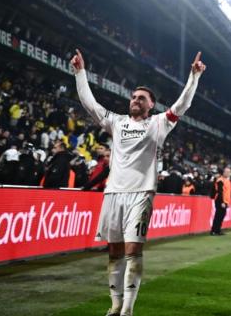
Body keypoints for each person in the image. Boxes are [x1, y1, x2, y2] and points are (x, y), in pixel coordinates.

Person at [72, 48, 205, 316]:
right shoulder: (116, 122)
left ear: (151, 104)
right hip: (113, 194)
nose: (135, 100)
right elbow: (90, 104)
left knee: (133, 250)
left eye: (141, 98)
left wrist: (194, 77)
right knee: (114, 252)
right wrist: (80, 73)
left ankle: (128, 309)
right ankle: (115, 304)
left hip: (142, 193)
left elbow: (182, 106)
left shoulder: (158, 123)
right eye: (133, 97)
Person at [211, 167, 231, 236]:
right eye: (227, 172)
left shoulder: (227, 181)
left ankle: (217, 230)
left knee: (221, 215)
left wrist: (227, 202)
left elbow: (227, 192)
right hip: (220, 200)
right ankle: (214, 230)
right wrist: (222, 202)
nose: (228, 173)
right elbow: (220, 192)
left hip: (224, 201)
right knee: (218, 215)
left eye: (229, 172)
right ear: (223, 172)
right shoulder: (220, 180)